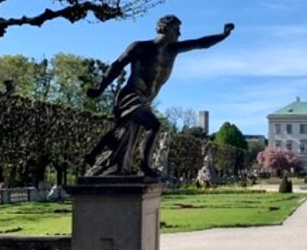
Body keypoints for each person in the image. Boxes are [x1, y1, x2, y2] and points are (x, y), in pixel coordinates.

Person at [85, 15, 234, 177]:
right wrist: (100, 88)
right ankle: (144, 165)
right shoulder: (140, 47)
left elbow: (201, 43)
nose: (179, 34)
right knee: (153, 125)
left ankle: (95, 155)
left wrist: (222, 35)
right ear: (166, 29)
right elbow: (117, 65)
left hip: (145, 99)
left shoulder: (173, 50)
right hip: (131, 95)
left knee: (122, 134)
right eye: (177, 30)